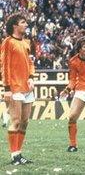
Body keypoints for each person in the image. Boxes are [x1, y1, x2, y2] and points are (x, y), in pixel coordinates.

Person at [1, 13, 35, 165]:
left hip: (27, 88)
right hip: (14, 88)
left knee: (25, 121)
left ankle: (19, 154)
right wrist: (6, 88)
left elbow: (30, 62)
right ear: (15, 26)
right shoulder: (8, 42)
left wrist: (32, 77)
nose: (26, 24)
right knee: (15, 121)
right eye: (23, 22)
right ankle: (14, 155)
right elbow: (4, 65)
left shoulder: (26, 42)